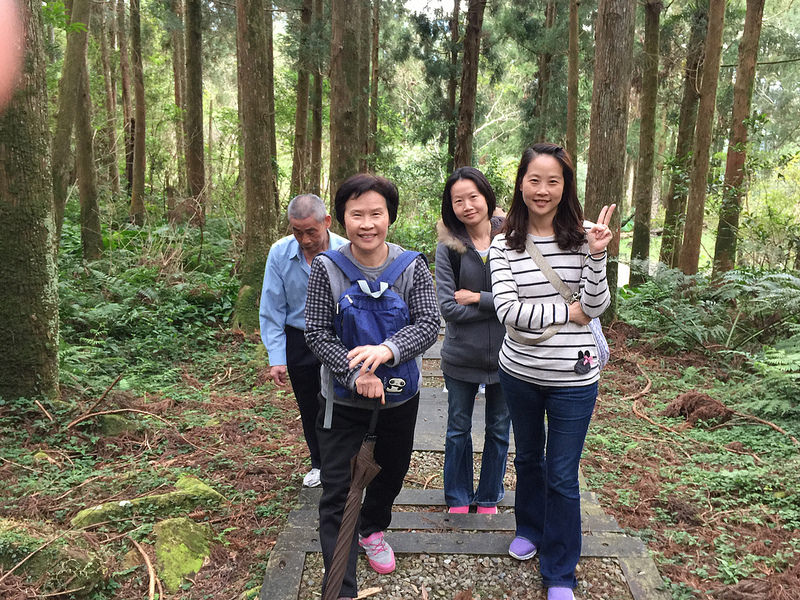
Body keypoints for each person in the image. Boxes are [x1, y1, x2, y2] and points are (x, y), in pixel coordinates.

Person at [489, 143, 615, 600]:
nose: (543, 190)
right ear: (521, 183)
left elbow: (598, 307)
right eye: (534, 180)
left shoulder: (585, 236)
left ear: (566, 187)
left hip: (575, 378)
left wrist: (597, 257)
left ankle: (561, 571)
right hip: (519, 371)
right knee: (527, 458)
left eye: (553, 181)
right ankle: (530, 527)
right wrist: (569, 311)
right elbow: (508, 312)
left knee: (562, 474)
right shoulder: (503, 242)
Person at [305, 174, 439, 600]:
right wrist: (354, 373)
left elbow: (428, 324)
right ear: (341, 219)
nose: (366, 223)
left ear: (389, 217)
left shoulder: (411, 266)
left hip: (400, 397)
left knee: (391, 473)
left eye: (375, 214)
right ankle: (341, 589)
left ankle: (374, 528)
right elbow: (316, 333)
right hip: (342, 404)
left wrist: (388, 349)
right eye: (356, 214)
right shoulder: (327, 268)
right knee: (339, 494)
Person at [434, 167, 510, 515]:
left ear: (487, 197)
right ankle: (459, 497)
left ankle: (490, 495)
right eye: (458, 200)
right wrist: (501, 304)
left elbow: (522, 301)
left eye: (473, 197)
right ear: (450, 207)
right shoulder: (448, 246)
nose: (467, 206)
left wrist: (478, 298)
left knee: (498, 430)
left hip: (509, 357)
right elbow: (448, 307)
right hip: (461, 356)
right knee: (457, 428)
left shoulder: (513, 241)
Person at [259, 194, 347, 488]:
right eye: (297, 232)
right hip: (299, 338)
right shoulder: (280, 253)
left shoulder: (346, 250)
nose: (305, 239)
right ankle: (319, 463)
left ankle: (346, 462)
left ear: (326, 222)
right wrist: (277, 357)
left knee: (342, 402)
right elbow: (272, 308)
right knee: (310, 405)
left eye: (311, 231)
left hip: (338, 336)